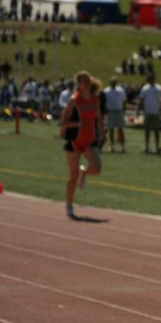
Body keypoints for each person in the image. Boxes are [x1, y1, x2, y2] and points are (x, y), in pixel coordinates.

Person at [59, 71, 104, 219]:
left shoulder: (95, 99)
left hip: (89, 140)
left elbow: (98, 118)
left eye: (87, 81)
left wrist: (101, 132)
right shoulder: (74, 100)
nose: (85, 84)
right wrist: (78, 123)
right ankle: (69, 204)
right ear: (78, 84)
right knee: (73, 175)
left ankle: (84, 172)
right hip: (74, 141)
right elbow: (63, 122)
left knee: (97, 168)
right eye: (82, 81)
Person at [139, 74, 161, 153]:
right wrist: (140, 109)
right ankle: (146, 147)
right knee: (147, 130)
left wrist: (160, 109)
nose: (151, 80)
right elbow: (141, 99)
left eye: (152, 78)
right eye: (150, 79)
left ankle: (157, 147)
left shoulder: (159, 88)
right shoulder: (145, 88)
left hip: (156, 111)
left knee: (156, 130)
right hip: (147, 112)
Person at [103, 77, 127, 153]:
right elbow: (104, 101)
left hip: (119, 111)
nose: (113, 83)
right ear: (110, 82)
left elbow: (124, 100)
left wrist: (124, 110)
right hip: (110, 111)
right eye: (112, 82)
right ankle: (111, 146)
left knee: (120, 129)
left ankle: (122, 146)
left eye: (115, 82)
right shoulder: (106, 91)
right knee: (111, 130)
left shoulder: (120, 90)